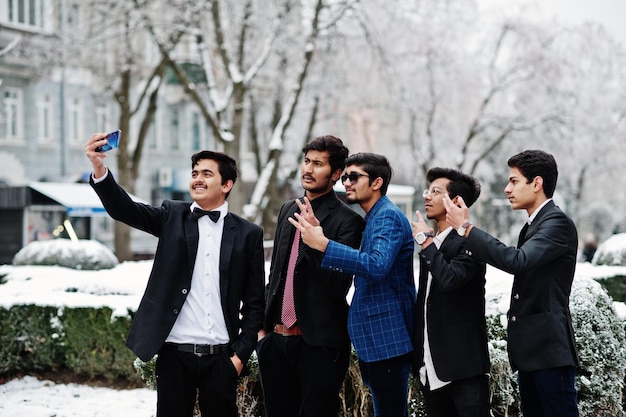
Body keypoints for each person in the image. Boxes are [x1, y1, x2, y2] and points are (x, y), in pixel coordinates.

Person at [84, 133, 265, 417]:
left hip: (222, 359)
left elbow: (256, 303)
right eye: (195, 173)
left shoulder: (248, 234)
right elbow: (125, 209)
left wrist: (239, 356)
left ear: (227, 184)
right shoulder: (172, 216)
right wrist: (99, 170)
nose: (198, 179)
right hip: (174, 355)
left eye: (207, 173)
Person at [443, 149, 579, 417]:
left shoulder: (557, 223)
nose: (507, 189)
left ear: (536, 183)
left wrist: (467, 229)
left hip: (550, 353)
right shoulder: (532, 225)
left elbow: (518, 261)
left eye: (514, 181)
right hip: (532, 354)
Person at [289, 152, 416, 417]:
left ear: (377, 182)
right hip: (379, 339)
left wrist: (324, 245)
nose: (346, 182)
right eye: (345, 177)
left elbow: (377, 264)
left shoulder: (387, 216)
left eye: (354, 177)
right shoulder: (374, 217)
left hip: (387, 338)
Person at [257, 135, 365, 417]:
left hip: (319, 345)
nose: (308, 169)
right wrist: (263, 333)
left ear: (336, 174)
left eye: (318, 164)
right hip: (276, 342)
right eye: (307, 161)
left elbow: (338, 285)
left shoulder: (348, 222)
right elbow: (277, 273)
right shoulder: (287, 209)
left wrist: (315, 242)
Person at [411, 167, 490, 417]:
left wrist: (424, 243)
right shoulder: (433, 244)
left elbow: (450, 279)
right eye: (427, 190)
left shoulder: (470, 242)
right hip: (431, 369)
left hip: (463, 370)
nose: (427, 196)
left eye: (435, 191)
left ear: (456, 201)